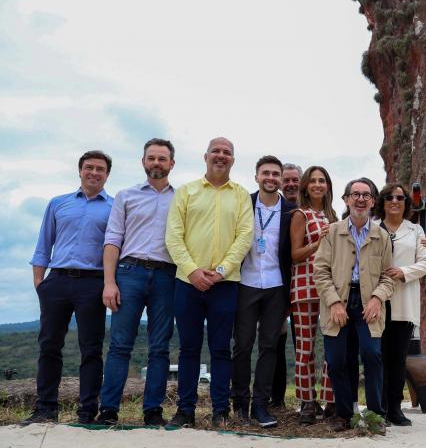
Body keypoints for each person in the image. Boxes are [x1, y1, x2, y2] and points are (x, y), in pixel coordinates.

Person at [165, 137, 253, 428]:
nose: (221, 156)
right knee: (189, 348)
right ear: (205, 156)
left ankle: (220, 411)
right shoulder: (187, 192)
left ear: (233, 160)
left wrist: (221, 270)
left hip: (225, 284)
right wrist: (192, 271)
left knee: (220, 349)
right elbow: (173, 236)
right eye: (216, 151)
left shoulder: (240, 196)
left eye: (227, 152)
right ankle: (185, 411)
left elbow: (244, 237)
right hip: (187, 282)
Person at [25, 150, 114, 425]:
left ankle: (87, 411)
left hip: (93, 281)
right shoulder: (58, 203)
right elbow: (44, 244)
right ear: (80, 170)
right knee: (49, 345)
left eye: (100, 169)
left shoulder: (114, 207)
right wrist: (40, 284)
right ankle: (45, 409)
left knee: (91, 348)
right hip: (57, 280)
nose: (94, 173)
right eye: (89, 167)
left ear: (107, 175)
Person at [96, 139, 177, 427]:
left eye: (162, 159)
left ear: (171, 164)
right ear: (143, 162)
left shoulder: (181, 199)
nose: (157, 163)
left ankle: (153, 410)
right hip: (129, 273)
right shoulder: (126, 196)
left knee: (160, 347)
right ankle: (108, 410)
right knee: (119, 345)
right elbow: (112, 240)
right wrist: (109, 282)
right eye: (151, 158)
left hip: (167, 275)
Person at [313, 177, 395, 432]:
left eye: (366, 195)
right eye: (355, 194)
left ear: (372, 202)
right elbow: (320, 271)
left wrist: (377, 298)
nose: (360, 199)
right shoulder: (332, 232)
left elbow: (388, 277)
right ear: (346, 200)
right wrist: (335, 303)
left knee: (372, 355)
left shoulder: (382, 236)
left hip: (368, 302)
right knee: (336, 360)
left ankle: (375, 416)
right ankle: (344, 414)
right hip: (338, 301)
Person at [231, 156, 296, 428]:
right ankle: (240, 406)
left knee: (269, 347)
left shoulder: (291, 211)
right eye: (265, 173)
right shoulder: (243, 203)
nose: (271, 178)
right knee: (242, 346)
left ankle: (261, 405)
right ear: (256, 176)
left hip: (276, 285)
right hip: (245, 282)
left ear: (281, 179)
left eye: (275, 174)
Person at [373, 182, 426, 426]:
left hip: (403, 302)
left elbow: (425, 263)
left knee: (397, 358)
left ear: (406, 203)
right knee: (377, 357)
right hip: (375, 300)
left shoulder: (416, 231)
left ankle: (395, 408)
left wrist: (403, 271)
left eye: (399, 197)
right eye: (389, 197)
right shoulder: (371, 226)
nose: (394, 201)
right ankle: (379, 407)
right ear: (382, 202)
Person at [289, 166, 339, 424]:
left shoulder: (334, 216)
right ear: (306, 186)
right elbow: (294, 254)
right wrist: (317, 243)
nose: (318, 185)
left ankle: (331, 400)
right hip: (304, 286)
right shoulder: (300, 214)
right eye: (313, 181)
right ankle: (307, 401)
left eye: (323, 181)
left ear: (328, 186)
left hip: (330, 289)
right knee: (306, 348)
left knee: (332, 347)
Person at [270, 162, 305, 408]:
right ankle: (277, 399)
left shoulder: (314, 210)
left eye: (295, 179)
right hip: (279, 288)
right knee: (276, 343)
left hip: (307, 287)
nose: (291, 184)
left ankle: (308, 400)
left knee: (305, 345)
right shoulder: (277, 212)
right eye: (287, 179)